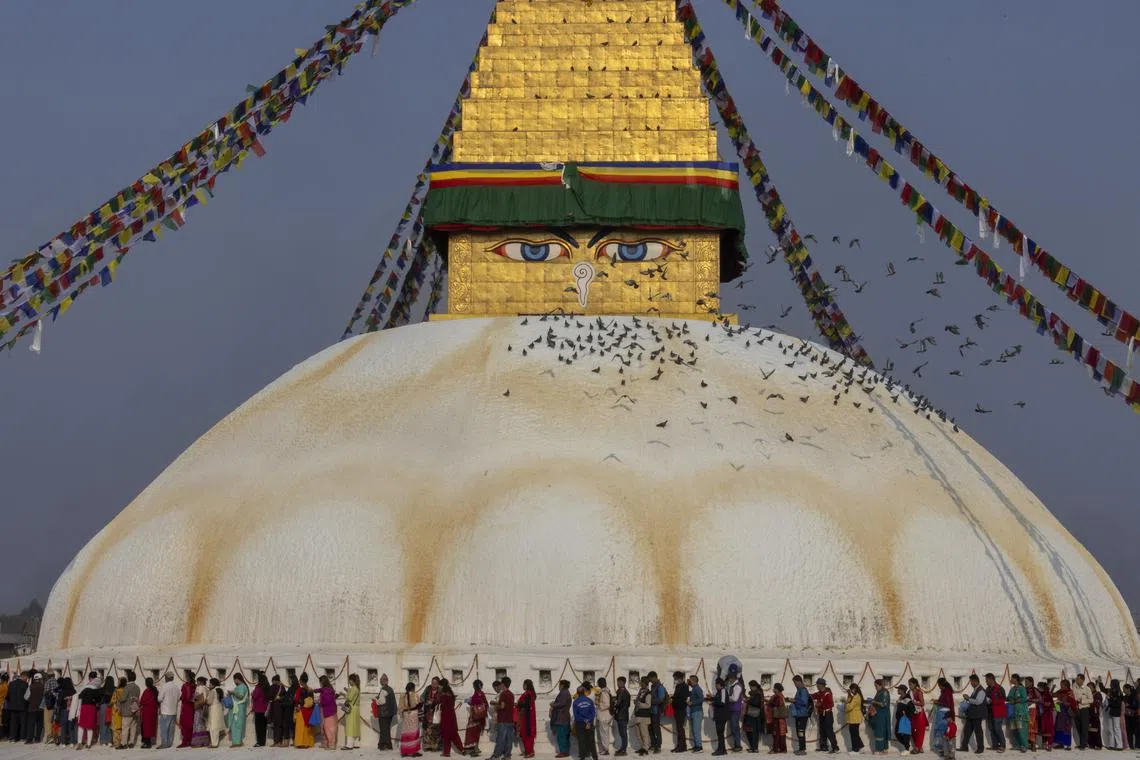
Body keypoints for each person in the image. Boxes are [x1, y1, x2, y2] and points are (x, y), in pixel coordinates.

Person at [436, 679, 464, 758]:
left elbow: (443, 705)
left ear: (442, 685)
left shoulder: (443, 695)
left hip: (446, 715)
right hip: (451, 715)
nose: (439, 687)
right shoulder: (450, 693)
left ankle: (458, 750)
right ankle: (457, 750)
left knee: (448, 734)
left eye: (440, 685)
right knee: (452, 734)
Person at [960, 675, 987, 754]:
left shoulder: (981, 690)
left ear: (975, 681)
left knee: (978, 731)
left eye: (971, 682)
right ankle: (964, 746)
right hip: (972, 714)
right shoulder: (976, 690)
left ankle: (980, 747)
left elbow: (978, 701)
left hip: (977, 714)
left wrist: (968, 698)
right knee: (967, 730)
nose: (971, 683)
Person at [75, 672, 102, 748]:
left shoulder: (86, 688)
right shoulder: (97, 687)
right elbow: (99, 699)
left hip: (84, 707)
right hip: (92, 708)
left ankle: (79, 742)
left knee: (81, 726)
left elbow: (79, 696)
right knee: (90, 726)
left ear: (90, 678)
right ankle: (89, 744)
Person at [493, 676, 516, 760]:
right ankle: (507, 756)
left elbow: (502, 706)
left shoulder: (503, 694)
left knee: (501, 739)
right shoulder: (511, 694)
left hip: (503, 719)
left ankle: (496, 756)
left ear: (503, 684)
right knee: (509, 739)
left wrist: (496, 706)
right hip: (510, 719)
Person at [576, 682, 600, 760]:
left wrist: (584, 720)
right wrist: (588, 722)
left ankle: (583, 756)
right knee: (591, 741)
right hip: (590, 722)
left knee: (581, 741)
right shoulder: (589, 700)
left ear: (578, 693)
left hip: (580, 723)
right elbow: (593, 713)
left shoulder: (576, 702)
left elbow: (576, 715)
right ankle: (595, 757)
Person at [813, 679, 837, 754]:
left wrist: (820, 705)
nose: (817, 686)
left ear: (821, 685)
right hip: (822, 714)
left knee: (829, 731)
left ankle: (835, 747)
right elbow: (812, 696)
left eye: (817, 684)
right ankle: (823, 746)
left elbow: (831, 704)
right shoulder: (819, 693)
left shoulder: (828, 693)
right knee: (822, 730)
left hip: (827, 714)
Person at [117, 670, 140, 749]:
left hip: (127, 709)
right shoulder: (137, 687)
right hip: (135, 708)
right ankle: (131, 742)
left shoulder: (127, 687)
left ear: (128, 678)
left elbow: (123, 698)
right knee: (133, 726)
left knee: (125, 727)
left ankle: (123, 744)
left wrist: (118, 699)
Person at [1099, 678, 1124, 750]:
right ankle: (1111, 744)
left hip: (1116, 712)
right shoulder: (1110, 691)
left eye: (1112, 684)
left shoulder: (1119, 693)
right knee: (1110, 728)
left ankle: (1119, 745)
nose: (1110, 685)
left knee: (1116, 729)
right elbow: (1103, 689)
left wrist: (1110, 699)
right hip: (1110, 712)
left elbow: (1117, 703)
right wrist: (1100, 682)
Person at [983, 673, 1006, 753]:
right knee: (991, 728)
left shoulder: (999, 688)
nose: (986, 682)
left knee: (998, 728)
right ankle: (995, 745)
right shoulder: (987, 689)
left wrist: (992, 701)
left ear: (991, 679)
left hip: (998, 712)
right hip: (990, 712)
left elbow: (1003, 700)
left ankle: (1003, 745)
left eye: (987, 680)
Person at [932, 679, 955, 756]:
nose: (939, 687)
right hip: (941, 712)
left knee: (943, 731)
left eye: (939, 685)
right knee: (941, 731)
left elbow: (947, 704)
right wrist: (937, 701)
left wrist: (937, 702)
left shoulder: (947, 692)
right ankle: (943, 749)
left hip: (944, 713)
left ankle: (946, 749)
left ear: (941, 685)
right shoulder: (944, 692)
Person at [400, 682, 423, 757]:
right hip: (413, 715)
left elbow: (400, 707)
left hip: (406, 715)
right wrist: (422, 702)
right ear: (413, 688)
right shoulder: (415, 695)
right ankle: (413, 751)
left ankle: (404, 752)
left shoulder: (402, 695)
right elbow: (418, 704)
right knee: (414, 733)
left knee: (406, 733)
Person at [790, 676, 812, 756]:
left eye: (795, 682)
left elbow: (804, 702)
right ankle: (801, 748)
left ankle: (802, 749)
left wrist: (794, 701)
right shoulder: (799, 690)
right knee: (799, 732)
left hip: (803, 714)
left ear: (799, 681)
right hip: (799, 714)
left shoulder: (803, 690)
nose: (795, 684)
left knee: (801, 732)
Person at [516, 679, 538, 759]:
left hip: (527, 717)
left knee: (527, 734)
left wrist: (519, 704)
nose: (523, 686)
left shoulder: (528, 694)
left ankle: (529, 752)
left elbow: (526, 704)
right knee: (525, 734)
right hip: (525, 716)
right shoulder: (528, 693)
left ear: (527, 685)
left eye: (524, 684)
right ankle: (528, 750)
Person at [552, 679, 573, 758]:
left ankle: (563, 751)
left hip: (561, 717)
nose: (559, 686)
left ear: (562, 685)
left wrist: (553, 704)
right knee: (565, 735)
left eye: (559, 685)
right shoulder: (566, 692)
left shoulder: (564, 693)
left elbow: (561, 703)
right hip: (564, 716)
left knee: (561, 736)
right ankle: (565, 751)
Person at [274, 675, 297, 747]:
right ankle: (294, 741)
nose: (289, 681)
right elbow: (287, 696)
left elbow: (289, 697)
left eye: (290, 680)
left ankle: (287, 742)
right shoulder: (294, 688)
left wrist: (281, 698)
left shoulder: (293, 688)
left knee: (287, 725)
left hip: (289, 708)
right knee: (292, 726)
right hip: (291, 708)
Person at [376, 674, 397, 751]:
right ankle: (383, 744)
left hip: (383, 712)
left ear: (382, 681)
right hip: (390, 713)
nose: (380, 681)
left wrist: (376, 701)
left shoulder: (384, 690)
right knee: (386, 729)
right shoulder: (390, 689)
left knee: (383, 729)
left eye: (381, 680)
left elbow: (382, 701)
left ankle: (385, 745)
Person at [1007, 674, 1028, 752]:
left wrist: (1015, 700)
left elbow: (1024, 698)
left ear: (1016, 679)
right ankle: (1017, 745)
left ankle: (1024, 745)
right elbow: (1009, 697)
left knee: (1021, 729)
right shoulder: (1012, 689)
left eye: (1012, 678)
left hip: (1020, 712)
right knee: (1014, 729)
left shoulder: (1022, 688)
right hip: (1012, 712)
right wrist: (1009, 699)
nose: (1011, 680)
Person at [316, 674, 338, 749]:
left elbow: (327, 701)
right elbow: (320, 690)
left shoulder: (326, 691)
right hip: (329, 711)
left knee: (329, 728)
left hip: (329, 711)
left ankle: (331, 744)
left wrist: (320, 703)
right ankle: (326, 743)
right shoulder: (328, 689)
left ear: (323, 682)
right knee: (325, 727)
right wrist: (314, 690)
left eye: (320, 682)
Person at [228, 672, 249, 747]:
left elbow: (241, 696)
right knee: (236, 725)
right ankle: (237, 741)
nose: (234, 682)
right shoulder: (240, 686)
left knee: (237, 725)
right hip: (237, 708)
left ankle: (237, 742)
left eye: (234, 680)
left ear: (237, 679)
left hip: (239, 708)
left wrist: (233, 693)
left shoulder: (242, 686)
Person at [295, 673, 315, 749]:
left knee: (300, 727)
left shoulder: (300, 689)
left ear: (301, 681)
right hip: (309, 710)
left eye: (300, 680)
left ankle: (301, 743)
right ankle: (308, 743)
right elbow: (312, 700)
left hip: (301, 710)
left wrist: (297, 706)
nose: (299, 681)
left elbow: (296, 700)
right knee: (307, 727)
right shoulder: (310, 689)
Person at [1054, 680, 1076, 750]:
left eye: (1062, 684)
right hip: (1060, 712)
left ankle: (1068, 744)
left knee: (1067, 728)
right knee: (1059, 727)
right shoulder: (1060, 691)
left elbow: (1073, 703)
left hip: (1066, 713)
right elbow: (1053, 694)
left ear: (1066, 685)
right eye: (1061, 684)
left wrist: (1063, 702)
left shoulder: (1070, 692)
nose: (1061, 686)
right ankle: (1060, 743)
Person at [767, 683, 789, 754]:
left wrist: (768, 703)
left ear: (777, 689)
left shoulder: (777, 697)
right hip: (781, 718)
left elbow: (776, 705)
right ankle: (783, 748)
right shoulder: (781, 696)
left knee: (776, 734)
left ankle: (776, 749)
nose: (773, 689)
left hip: (777, 718)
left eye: (775, 688)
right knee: (781, 734)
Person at [743, 680, 764, 753]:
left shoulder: (758, 693)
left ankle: (755, 747)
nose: (750, 688)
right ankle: (752, 747)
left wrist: (748, 700)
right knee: (749, 731)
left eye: (751, 686)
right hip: (751, 714)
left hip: (755, 715)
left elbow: (756, 703)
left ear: (754, 686)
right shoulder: (754, 693)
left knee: (754, 732)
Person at [726, 669, 745, 753]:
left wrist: (727, 698)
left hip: (735, 709)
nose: (729, 679)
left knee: (735, 727)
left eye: (729, 678)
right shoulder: (732, 685)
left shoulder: (737, 686)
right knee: (733, 727)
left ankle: (738, 745)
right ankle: (736, 745)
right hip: (732, 709)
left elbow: (734, 698)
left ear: (732, 678)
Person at [869, 680, 890, 755]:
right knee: (882, 731)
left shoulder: (884, 692)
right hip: (879, 714)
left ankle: (879, 749)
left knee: (880, 731)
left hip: (882, 715)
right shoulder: (879, 692)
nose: (875, 688)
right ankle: (884, 748)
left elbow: (883, 704)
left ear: (880, 685)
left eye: (876, 686)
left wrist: (874, 702)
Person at [907, 678, 927, 755]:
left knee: (920, 731)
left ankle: (917, 747)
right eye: (909, 684)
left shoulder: (919, 692)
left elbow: (922, 703)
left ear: (915, 684)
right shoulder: (909, 692)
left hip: (920, 713)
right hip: (913, 713)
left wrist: (914, 703)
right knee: (913, 730)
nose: (910, 686)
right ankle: (919, 746)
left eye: (911, 684)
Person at [672, 671, 690, 752]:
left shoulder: (685, 686)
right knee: (678, 728)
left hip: (681, 709)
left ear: (681, 678)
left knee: (680, 728)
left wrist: (673, 700)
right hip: (676, 709)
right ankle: (680, 745)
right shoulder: (677, 686)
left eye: (676, 678)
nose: (675, 680)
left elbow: (682, 699)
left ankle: (682, 746)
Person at [1073, 674, 1092, 750]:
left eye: (1078, 679)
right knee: (1078, 727)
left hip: (1084, 709)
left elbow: (1091, 700)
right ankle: (1081, 743)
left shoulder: (1087, 689)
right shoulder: (1074, 688)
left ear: (1082, 680)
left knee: (1084, 727)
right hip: (1076, 709)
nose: (1077, 680)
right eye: (1076, 678)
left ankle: (1084, 744)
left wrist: (1082, 701)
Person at [635, 678, 654, 756]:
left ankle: (646, 747)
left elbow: (648, 705)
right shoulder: (640, 692)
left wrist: (639, 704)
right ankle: (642, 746)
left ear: (646, 684)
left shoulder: (648, 694)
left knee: (644, 733)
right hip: (638, 715)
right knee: (638, 733)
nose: (641, 684)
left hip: (644, 716)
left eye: (642, 683)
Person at [343, 673, 362, 750]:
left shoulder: (353, 688)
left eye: (349, 680)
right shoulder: (357, 688)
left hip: (351, 709)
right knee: (355, 726)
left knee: (350, 726)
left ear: (352, 680)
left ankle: (349, 745)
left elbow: (349, 698)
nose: (349, 682)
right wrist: (348, 690)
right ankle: (356, 743)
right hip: (356, 709)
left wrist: (344, 693)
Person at [613, 676, 631, 757]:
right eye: (617, 682)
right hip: (619, 715)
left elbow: (625, 705)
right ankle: (622, 747)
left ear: (623, 683)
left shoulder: (625, 693)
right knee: (621, 733)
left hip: (622, 716)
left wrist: (616, 707)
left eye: (619, 682)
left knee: (623, 734)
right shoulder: (619, 691)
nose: (618, 684)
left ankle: (624, 749)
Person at [7, 671, 27, 743]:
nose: (26, 678)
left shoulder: (11, 684)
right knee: (23, 722)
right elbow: (27, 696)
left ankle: (12, 737)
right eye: (26, 677)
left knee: (13, 723)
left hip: (12, 706)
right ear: (22, 676)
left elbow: (8, 696)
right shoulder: (25, 684)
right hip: (22, 706)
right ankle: (22, 737)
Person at [650, 672, 667, 754]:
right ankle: (653, 744)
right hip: (652, 710)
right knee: (652, 728)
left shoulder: (660, 687)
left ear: (654, 677)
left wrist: (651, 702)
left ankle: (658, 745)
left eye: (650, 679)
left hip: (656, 710)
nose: (650, 681)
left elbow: (661, 699)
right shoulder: (653, 686)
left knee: (656, 728)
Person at [845, 684, 865, 754]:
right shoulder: (854, 696)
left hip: (855, 717)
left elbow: (850, 706)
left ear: (854, 689)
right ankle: (860, 746)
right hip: (853, 717)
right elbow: (849, 700)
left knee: (854, 734)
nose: (851, 691)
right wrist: (849, 695)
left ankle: (855, 749)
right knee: (855, 733)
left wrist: (846, 705)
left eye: (851, 689)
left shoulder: (856, 697)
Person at [711, 678, 729, 757]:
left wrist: (714, 702)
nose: (715, 686)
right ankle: (721, 748)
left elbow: (723, 702)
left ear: (720, 684)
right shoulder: (719, 692)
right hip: (718, 715)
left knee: (720, 733)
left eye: (717, 684)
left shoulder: (723, 691)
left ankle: (721, 750)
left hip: (722, 715)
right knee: (719, 733)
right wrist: (712, 698)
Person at [206, 677, 225, 747]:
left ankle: (214, 743)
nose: (209, 685)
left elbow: (209, 701)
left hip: (213, 709)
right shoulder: (220, 690)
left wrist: (206, 700)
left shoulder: (213, 691)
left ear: (213, 684)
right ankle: (215, 742)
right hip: (219, 708)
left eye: (210, 683)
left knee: (213, 727)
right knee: (216, 726)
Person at [687, 675, 705, 754]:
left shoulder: (697, 688)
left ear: (693, 681)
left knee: (696, 730)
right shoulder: (694, 689)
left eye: (690, 680)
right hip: (694, 711)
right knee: (694, 729)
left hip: (697, 711)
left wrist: (692, 702)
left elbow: (701, 699)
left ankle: (699, 746)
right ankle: (696, 745)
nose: (688, 681)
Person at [252, 672, 270, 747]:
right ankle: (263, 742)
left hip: (259, 709)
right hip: (265, 709)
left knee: (259, 727)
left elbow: (255, 696)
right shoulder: (267, 686)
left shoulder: (259, 687)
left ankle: (259, 742)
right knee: (263, 727)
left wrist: (253, 693)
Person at [25, 672, 44, 744]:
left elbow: (26, 697)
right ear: (40, 679)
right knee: (39, 724)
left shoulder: (30, 686)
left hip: (31, 708)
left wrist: (31, 700)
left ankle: (29, 739)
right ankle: (37, 738)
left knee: (31, 724)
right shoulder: (43, 686)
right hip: (40, 708)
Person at [895, 685, 914, 752]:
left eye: (898, 689)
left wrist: (906, 714)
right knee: (897, 734)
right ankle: (907, 745)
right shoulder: (900, 698)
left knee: (905, 734)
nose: (897, 690)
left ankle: (906, 749)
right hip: (899, 719)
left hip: (905, 719)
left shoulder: (908, 699)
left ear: (902, 690)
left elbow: (912, 709)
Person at [598, 677, 614, 756]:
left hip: (604, 715)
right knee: (605, 732)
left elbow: (607, 704)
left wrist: (599, 705)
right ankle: (605, 748)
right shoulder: (607, 691)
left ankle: (605, 749)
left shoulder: (604, 692)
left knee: (604, 733)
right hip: (606, 715)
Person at [140, 677, 158, 748]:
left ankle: (147, 743)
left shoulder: (147, 691)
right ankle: (148, 742)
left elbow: (142, 701)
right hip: (153, 712)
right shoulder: (155, 691)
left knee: (145, 728)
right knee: (150, 727)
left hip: (147, 712)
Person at [1036, 681, 1055, 752]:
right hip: (1041, 715)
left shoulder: (1047, 694)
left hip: (1047, 714)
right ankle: (1043, 744)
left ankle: (1050, 744)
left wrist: (1045, 704)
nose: (1038, 688)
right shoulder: (1039, 694)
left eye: (1039, 687)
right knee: (1042, 729)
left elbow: (1051, 704)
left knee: (1049, 729)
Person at [110, 677, 125, 747]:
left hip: (116, 710)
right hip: (123, 710)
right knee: (121, 727)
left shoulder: (116, 690)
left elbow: (113, 700)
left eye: (118, 681)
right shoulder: (125, 690)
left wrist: (109, 705)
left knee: (115, 727)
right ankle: (121, 741)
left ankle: (116, 742)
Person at [1123, 683, 1138, 751]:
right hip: (1127, 716)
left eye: (1124, 689)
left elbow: (1135, 705)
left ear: (1128, 689)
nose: (1124, 691)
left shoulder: (1134, 696)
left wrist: (1129, 705)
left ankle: (1136, 745)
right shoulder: (1125, 697)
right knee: (1128, 732)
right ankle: (1131, 745)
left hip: (1134, 716)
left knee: (1135, 732)